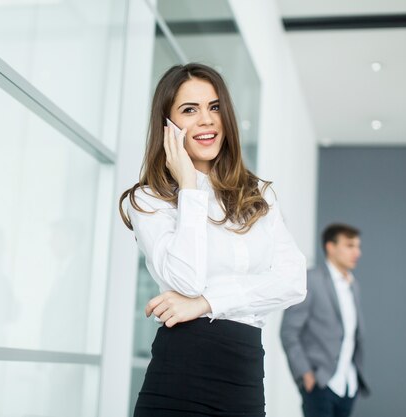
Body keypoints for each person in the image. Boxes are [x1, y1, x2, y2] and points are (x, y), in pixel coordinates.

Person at [119, 63, 307, 417]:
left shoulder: (259, 196)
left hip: (245, 375)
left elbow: (294, 283)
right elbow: (185, 280)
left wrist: (205, 302)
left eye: (214, 107)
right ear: (167, 125)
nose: (207, 120)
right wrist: (188, 187)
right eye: (190, 110)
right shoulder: (150, 200)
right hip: (179, 374)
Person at [280, 224, 370, 417]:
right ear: (331, 247)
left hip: (348, 384)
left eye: (358, 246)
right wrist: (305, 373)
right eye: (350, 245)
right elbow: (289, 331)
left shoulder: (354, 285)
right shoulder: (312, 279)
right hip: (320, 382)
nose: (357, 252)